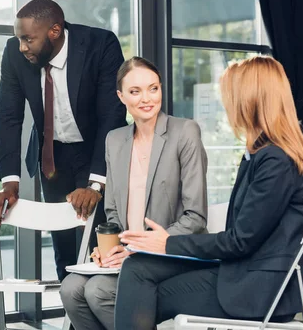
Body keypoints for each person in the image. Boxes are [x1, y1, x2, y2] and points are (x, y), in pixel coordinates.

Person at [114, 56, 303, 329]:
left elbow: (239, 242)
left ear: (248, 100)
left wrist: (166, 243)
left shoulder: (275, 161)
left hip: (259, 290)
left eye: (229, 95)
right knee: (137, 268)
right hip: (246, 273)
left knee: (141, 293)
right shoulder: (263, 154)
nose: (225, 104)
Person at [60, 57, 208, 330]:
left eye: (153, 88)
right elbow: (113, 213)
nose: (146, 99)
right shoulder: (115, 140)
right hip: (130, 255)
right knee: (71, 289)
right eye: (135, 91)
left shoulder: (185, 132)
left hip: (173, 253)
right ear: (121, 96)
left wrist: (139, 248)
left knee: (98, 291)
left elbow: (195, 218)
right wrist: (109, 250)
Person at [0, 0, 127, 280]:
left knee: (98, 247)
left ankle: (103, 315)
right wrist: (10, 182)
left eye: (28, 39)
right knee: (64, 253)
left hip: (96, 153)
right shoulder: (15, 54)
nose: (22, 47)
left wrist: (95, 183)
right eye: (18, 38)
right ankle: (74, 319)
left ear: (54, 31)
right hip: (52, 158)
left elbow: (112, 116)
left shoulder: (99, 45)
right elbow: (8, 117)